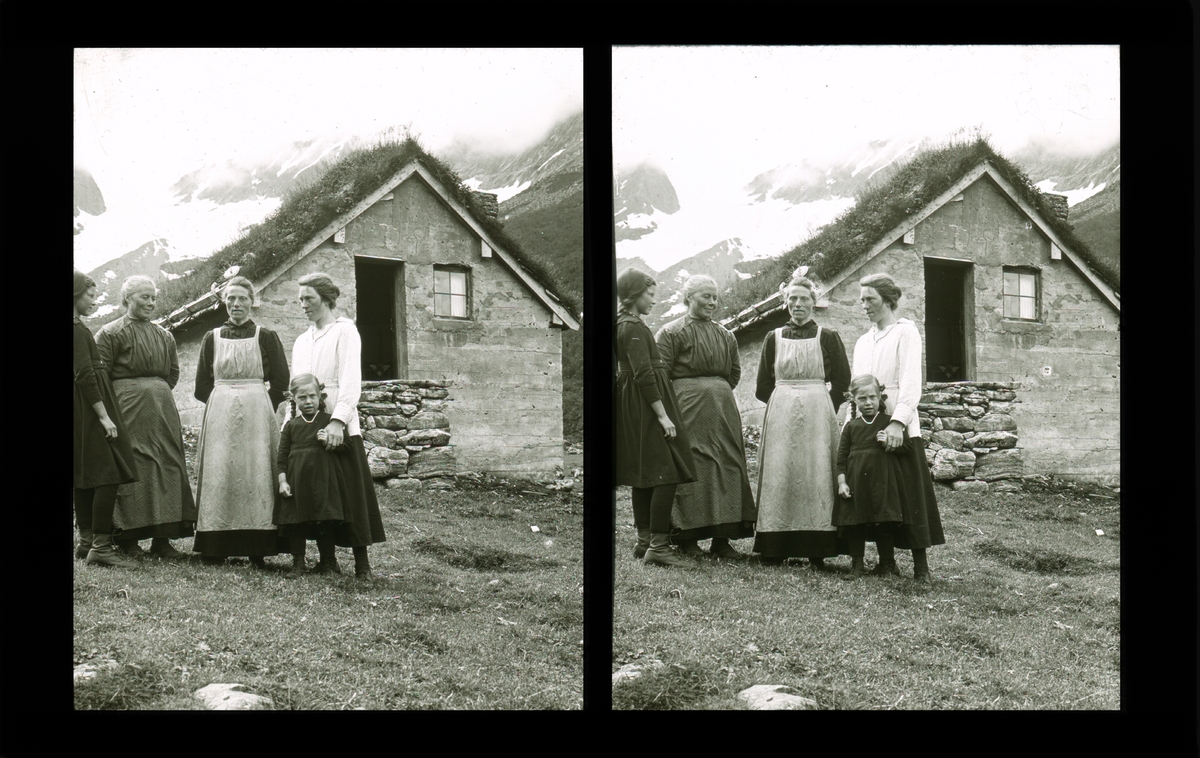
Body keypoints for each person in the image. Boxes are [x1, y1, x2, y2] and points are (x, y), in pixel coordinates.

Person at [290, 273, 386, 580]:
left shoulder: (345, 331)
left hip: (338, 422)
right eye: (300, 299)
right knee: (320, 493)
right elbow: (296, 389)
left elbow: (350, 382)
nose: (303, 305)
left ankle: (363, 566)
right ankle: (327, 560)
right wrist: (291, 426)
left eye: (309, 299)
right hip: (309, 426)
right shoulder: (302, 341)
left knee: (350, 493)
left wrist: (337, 421)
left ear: (327, 299)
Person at [851, 272, 946, 583]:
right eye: (862, 300)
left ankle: (921, 569)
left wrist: (897, 422)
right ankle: (886, 562)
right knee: (879, 493)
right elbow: (857, 389)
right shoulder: (863, 342)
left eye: (871, 299)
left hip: (899, 424)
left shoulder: (905, 333)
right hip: (869, 426)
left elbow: (910, 383)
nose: (864, 305)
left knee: (910, 495)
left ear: (888, 300)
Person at [752, 275, 850, 567]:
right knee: (779, 474)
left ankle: (817, 550)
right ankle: (774, 548)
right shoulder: (774, 338)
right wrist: (785, 402)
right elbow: (762, 387)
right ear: (785, 302)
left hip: (819, 414)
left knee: (816, 473)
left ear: (814, 302)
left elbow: (843, 381)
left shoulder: (828, 337)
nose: (797, 304)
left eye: (804, 299)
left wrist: (820, 404)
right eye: (792, 299)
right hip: (781, 413)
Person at [655, 274, 755, 560]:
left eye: (714, 297)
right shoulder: (671, 332)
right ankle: (688, 540)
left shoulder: (726, 335)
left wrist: (715, 391)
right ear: (689, 298)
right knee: (694, 466)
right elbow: (661, 374)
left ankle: (722, 540)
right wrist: (691, 394)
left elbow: (734, 373)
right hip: (687, 410)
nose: (712, 302)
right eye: (705, 296)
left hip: (723, 410)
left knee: (728, 464)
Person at [95, 275, 196, 560]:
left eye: (153, 297)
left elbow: (173, 373)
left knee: (168, 464)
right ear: (128, 298)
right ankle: (128, 540)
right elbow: (99, 375)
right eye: (144, 297)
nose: (151, 303)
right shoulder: (110, 332)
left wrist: (155, 392)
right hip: (127, 410)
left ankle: (162, 540)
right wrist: (131, 394)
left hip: (162, 410)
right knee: (134, 466)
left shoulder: (164, 335)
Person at [192, 276, 290, 566]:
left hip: (258, 415)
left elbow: (282, 380)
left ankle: (257, 549)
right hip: (220, 414)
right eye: (230, 299)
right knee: (220, 473)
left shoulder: (266, 335)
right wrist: (224, 403)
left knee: (256, 472)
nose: (236, 304)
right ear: (224, 303)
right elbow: (201, 386)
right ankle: (215, 547)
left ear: (252, 301)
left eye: (242, 298)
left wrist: (257, 403)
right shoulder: (212, 338)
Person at [614, 268, 697, 568]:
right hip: (646, 404)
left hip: (636, 404)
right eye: (649, 294)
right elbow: (642, 373)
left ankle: (644, 541)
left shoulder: (625, 324)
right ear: (634, 295)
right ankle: (659, 546)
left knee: (645, 474)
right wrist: (663, 416)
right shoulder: (632, 326)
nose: (653, 300)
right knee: (666, 471)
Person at [73, 271, 138, 568]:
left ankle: (86, 542)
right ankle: (100, 546)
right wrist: (104, 416)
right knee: (108, 473)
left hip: (81, 408)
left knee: (86, 475)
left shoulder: (78, 327)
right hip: (89, 408)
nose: (94, 301)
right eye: (90, 295)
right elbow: (85, 374)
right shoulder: (76, 329)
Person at [835, 374, 910, 580]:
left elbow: (907, 448)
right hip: (856, 483)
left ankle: (887, 565)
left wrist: (888, 441)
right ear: (854, 401)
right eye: (862, 399)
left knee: (883, 523)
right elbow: (841, 459)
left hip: (882, 484)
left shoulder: (889, 423)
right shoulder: (851, 427)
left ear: (880, 398)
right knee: (855, 524)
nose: (868, 403)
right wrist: (842, 482)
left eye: (872, 398)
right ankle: (857, 565)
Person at [276, 374, 349, 577]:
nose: (308, 401)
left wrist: (329, 441)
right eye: (302, 398)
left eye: (312, 397)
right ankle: (298, 563)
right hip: (297, 482)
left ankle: (327, 562)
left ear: (320, 397)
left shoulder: (330, 422)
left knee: (324, 520)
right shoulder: (291, 426)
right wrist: (283, 481)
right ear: (294, 400)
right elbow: (281, 458)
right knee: (296, 522)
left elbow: (347, 447)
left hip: (324, 482)